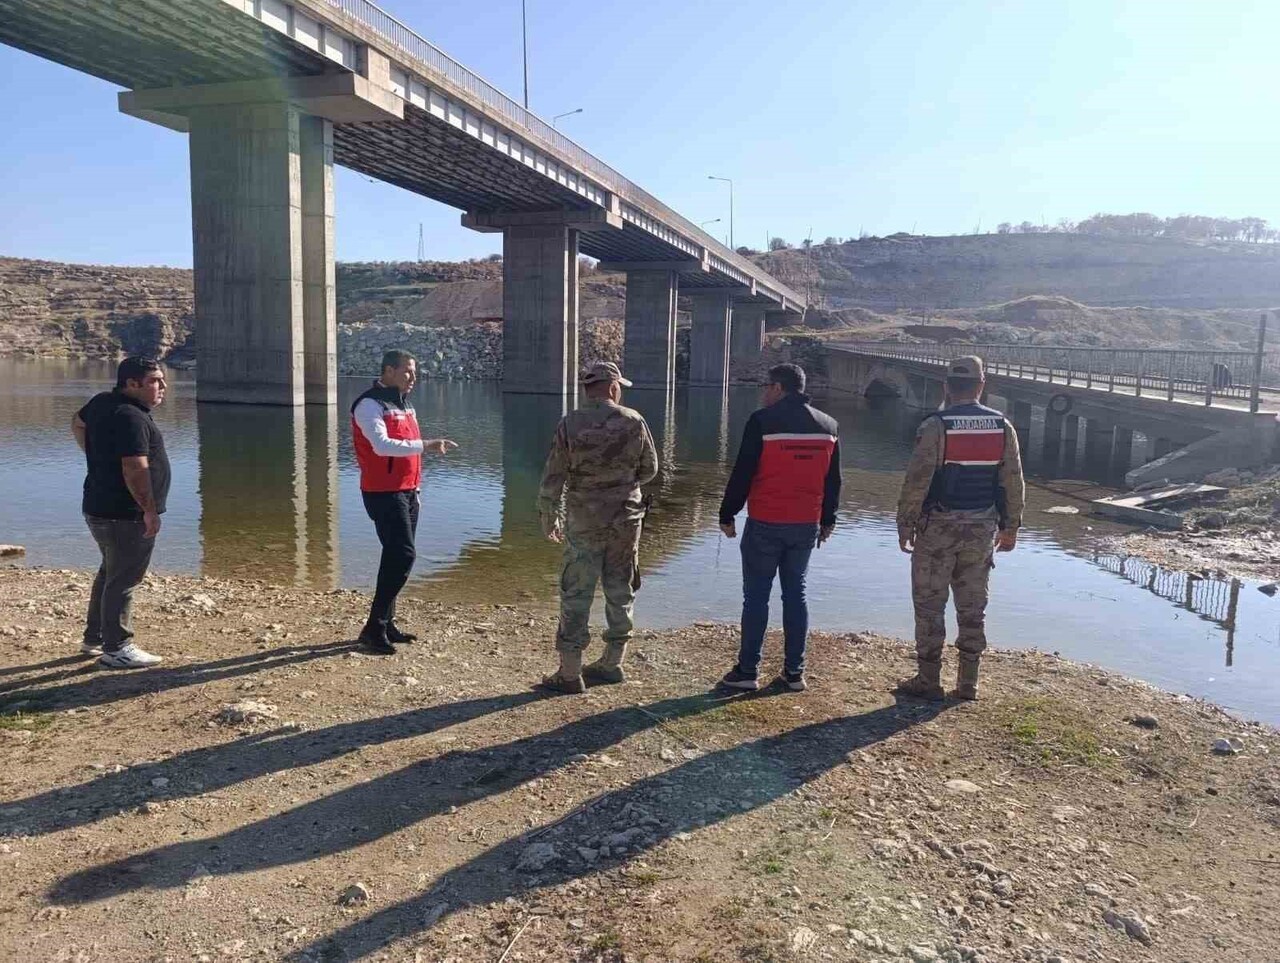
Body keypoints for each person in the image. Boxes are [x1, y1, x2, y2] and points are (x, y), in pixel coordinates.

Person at [895, 355, 1025, 701]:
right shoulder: (1002, 426)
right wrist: (1011, 527)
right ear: (982, 386)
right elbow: (1013, 481)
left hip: (938, 528)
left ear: (946, 387)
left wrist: (905, 524)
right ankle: (968, 683)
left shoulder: (936, 426)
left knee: (929, 605)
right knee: (972, 606)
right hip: (982, 530)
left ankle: (928, 679)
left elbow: (917, 480)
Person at [718, 363, 841, 693]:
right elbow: (833, 481)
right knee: (796, 594)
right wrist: (828, 519)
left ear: (778, 387)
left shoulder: (762, 422)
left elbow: (743, 472)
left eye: (766, 386)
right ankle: (794, 673)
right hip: (805, 525)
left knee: (756, 597)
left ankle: (747, 671)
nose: (763, 392)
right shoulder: (828, 426)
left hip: (765, 523)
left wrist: (727, 514)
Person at [537, 361, 659, 694]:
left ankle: (570, 671)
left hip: (584, 518)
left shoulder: (570, 423)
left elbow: (554, 474)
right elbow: (650, 469)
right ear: (614, 386)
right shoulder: (634, 421)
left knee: (576, 590)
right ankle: (612, 662)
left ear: (588, 389)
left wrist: (549, 514)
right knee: (620, 588)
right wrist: (620, 481)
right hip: (626, 518)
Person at [351, 349, 456, 654]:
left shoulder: (404, 405)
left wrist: (416, 492)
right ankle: (374, 628)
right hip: (383, 492)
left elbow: (406, 455)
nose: (414, 377)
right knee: (404, 555)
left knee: (394, 556)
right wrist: (428, 445)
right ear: (388, 371)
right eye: (408, 371)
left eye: (415, 371)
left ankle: (387, 623)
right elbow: (383, 447)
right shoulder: (369, 404)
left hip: (407, 492)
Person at [72, 356, 170, 669]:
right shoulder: (131, 418)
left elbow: (77, 421)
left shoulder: (102, 402)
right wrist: (149, 511)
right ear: (131, 383)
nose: (163, 387)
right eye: (155, 381)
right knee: (124, 577)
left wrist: (96, 454)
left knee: (110, 572)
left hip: (98, 508)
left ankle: (96, 638)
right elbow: (134, 469)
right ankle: (117, 647)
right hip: (125, 513)